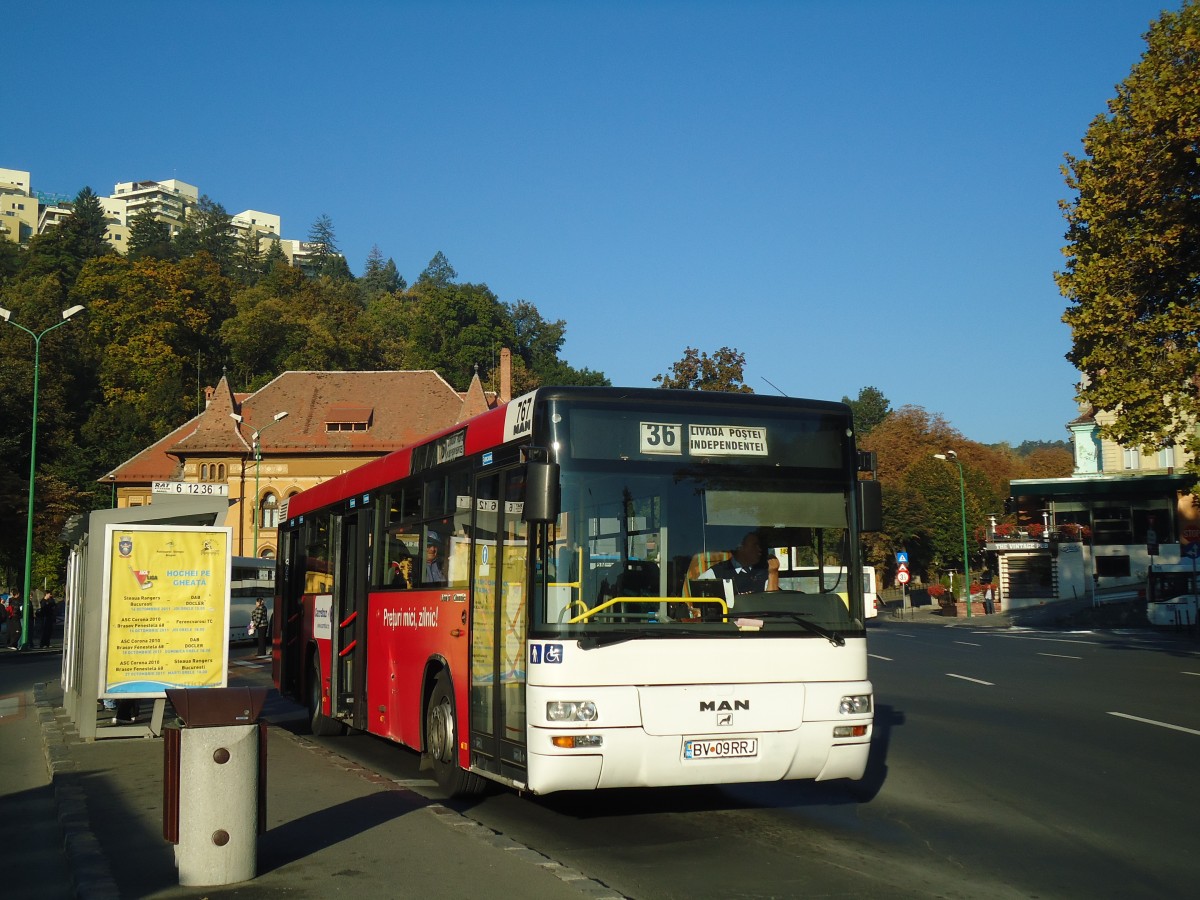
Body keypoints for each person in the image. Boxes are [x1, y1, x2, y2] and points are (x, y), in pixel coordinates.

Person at [699, 532, 780, 595]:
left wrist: (773, 573)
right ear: (740, 546)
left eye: (759, 545)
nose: (759, 549)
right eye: (754, 545)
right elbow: (698, 601)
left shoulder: (763, 572)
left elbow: (773, 603)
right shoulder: (718, 573)